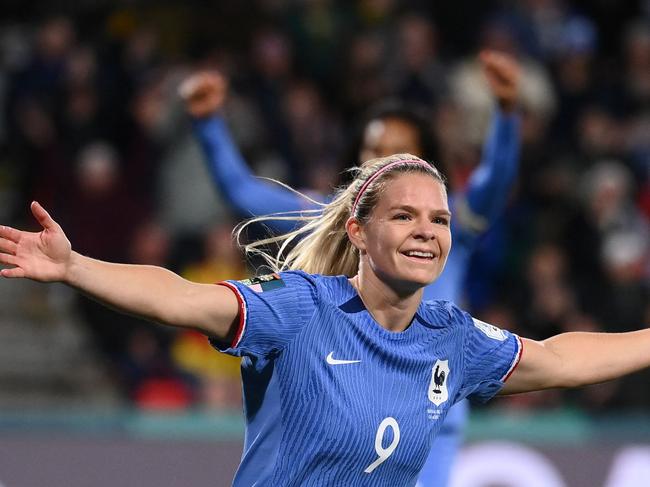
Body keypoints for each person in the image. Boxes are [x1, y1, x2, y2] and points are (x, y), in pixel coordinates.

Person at [3, 154, 650, 486]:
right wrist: (76, 267)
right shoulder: (300, 308)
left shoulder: (452, 338)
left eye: (440, 220)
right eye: (405, 216)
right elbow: (180, 296)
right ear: (359, 233)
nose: (427, 231)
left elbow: (561, 359)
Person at [180, 50, 521, 486]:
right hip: (351, 413)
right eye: (371, 149)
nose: (380, 161)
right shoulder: (332, 219)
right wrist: (208, 123)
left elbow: (495, 180)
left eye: (395, 152)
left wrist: (508, 115)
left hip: (428, 417)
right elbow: (241, 190)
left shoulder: (447, 223)